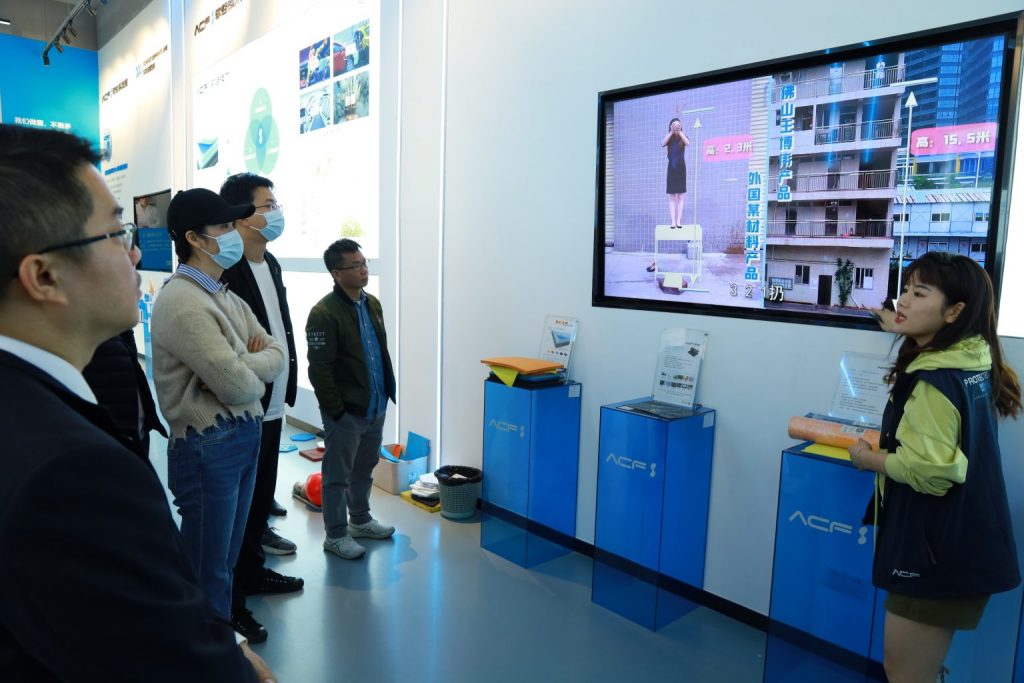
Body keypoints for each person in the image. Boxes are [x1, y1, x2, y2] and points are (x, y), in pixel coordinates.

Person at [0, 124, 273, 681]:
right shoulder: (73, 472)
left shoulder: (32, 409)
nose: (133, 252)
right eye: (115, 234)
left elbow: (273, 357)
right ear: (44, 275)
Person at [849, 251, 1021, 683]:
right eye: (905, 289)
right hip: (967, 541)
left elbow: (932, 472)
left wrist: (867, 459)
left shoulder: (933, 383)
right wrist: (901, 325)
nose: (903, 301)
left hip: (935, 554)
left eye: (919, 293)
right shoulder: (972, 359)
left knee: (905, 672)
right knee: (923, 668)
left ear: (954, 312)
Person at [151, 188, 286, 627]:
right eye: (224, 227)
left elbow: (277, 353)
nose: (233, 234)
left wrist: (242, 362)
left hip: (240, 434)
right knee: (207, 570)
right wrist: (245, 366)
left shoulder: (224, 295)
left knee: (225, 562)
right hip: (208, 444)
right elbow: (236, 384)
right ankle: (204, 650)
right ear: (194, 238)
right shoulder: (182, 300)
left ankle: (221, 642)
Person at [220, 173, 303, 642]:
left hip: (274, 402)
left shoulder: (269, 262)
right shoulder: (226, 273)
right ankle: (230, 601)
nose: (276, 212)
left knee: (259, 501)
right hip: (246, 404)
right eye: (267, 205)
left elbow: (279, 327)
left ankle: (252, 573)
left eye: (275, 203)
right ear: (241, 216)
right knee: (236, 511)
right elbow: (238, 348)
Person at [306, 238, 396, 560]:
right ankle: (335, 535)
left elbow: (377, 353)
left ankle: (360, 520)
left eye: (364, 262)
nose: (363, 270)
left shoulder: (372, 304)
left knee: (364, 468)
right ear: (336, 273)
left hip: (375, 406)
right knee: (336, 476)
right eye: (355, 265)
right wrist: (336, 411)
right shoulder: (323, 313)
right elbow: (319, 369)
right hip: (346, 412)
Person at [649, 117, 690, 273]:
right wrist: (672, 131)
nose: (676, 127)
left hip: (681, 169)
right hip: (671, 169)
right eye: (674, 125)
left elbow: (688, 143)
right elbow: (662, 143)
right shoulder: (669, 138)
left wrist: (680, 132)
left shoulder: (682, 138)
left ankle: (679, 221)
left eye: (678, 125)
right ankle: (673, 221)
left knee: (681, 196)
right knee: (672, 196)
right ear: (670, 127)